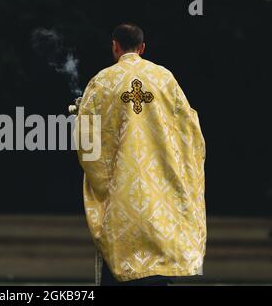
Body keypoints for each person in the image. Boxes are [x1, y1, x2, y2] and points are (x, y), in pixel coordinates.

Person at [76, 23, 206, 286]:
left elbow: (86, 137)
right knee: (156, 265)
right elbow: (188, 128)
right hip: (161, 188)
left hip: (121, 190)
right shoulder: (164, 78)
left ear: (115, 46)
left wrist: (103, 182)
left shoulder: (102, 81)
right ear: (143, 47)